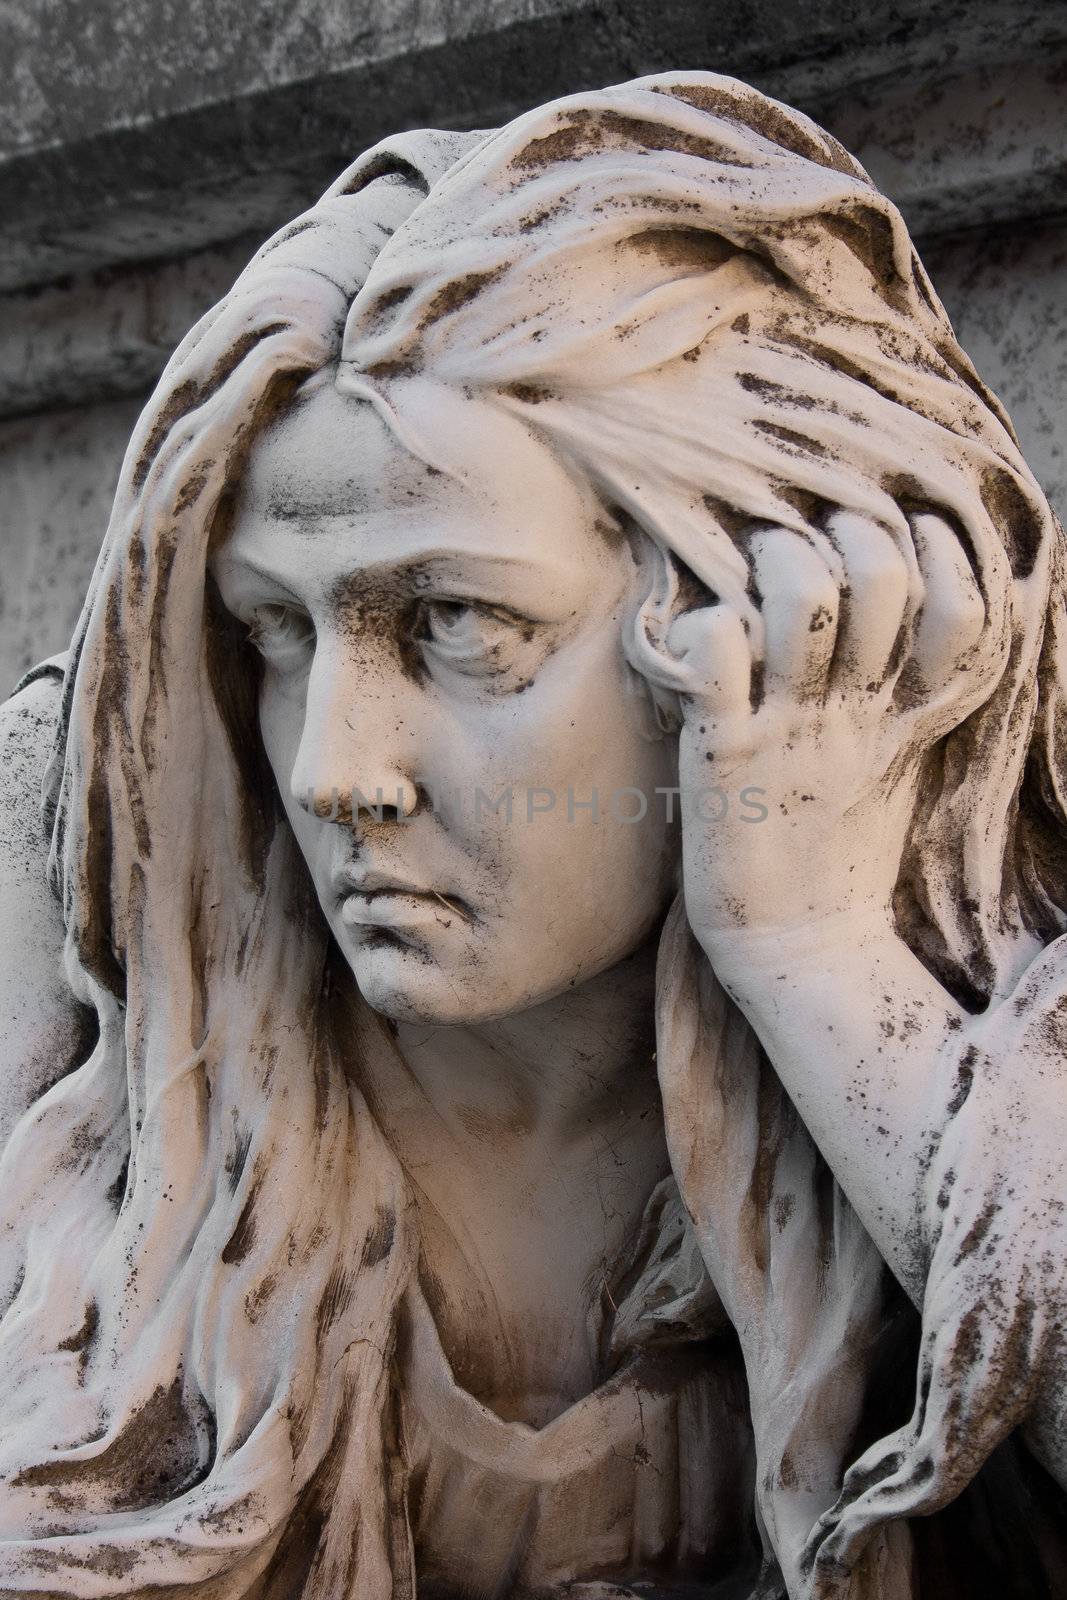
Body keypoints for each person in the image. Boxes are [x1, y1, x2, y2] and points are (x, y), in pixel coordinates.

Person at [0, 70, 1064, 1600]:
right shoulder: (94, 858)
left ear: (765, 604)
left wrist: (818, 956)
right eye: (273, 630)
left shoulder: (983, 958)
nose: (331, 770)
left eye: (459, 626)